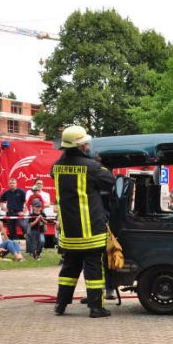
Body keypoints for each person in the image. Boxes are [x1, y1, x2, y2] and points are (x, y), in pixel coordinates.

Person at [52, 125, 115, 318]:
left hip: (69, 232)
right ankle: (96, 308)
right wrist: (98, 164)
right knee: (94, 270)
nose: (88, 145)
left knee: (69, 268)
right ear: (80, 146)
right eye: (85, 143)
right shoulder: (92, 167)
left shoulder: (56, 167)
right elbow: (110, 181)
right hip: (91, 231)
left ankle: (60, 305)